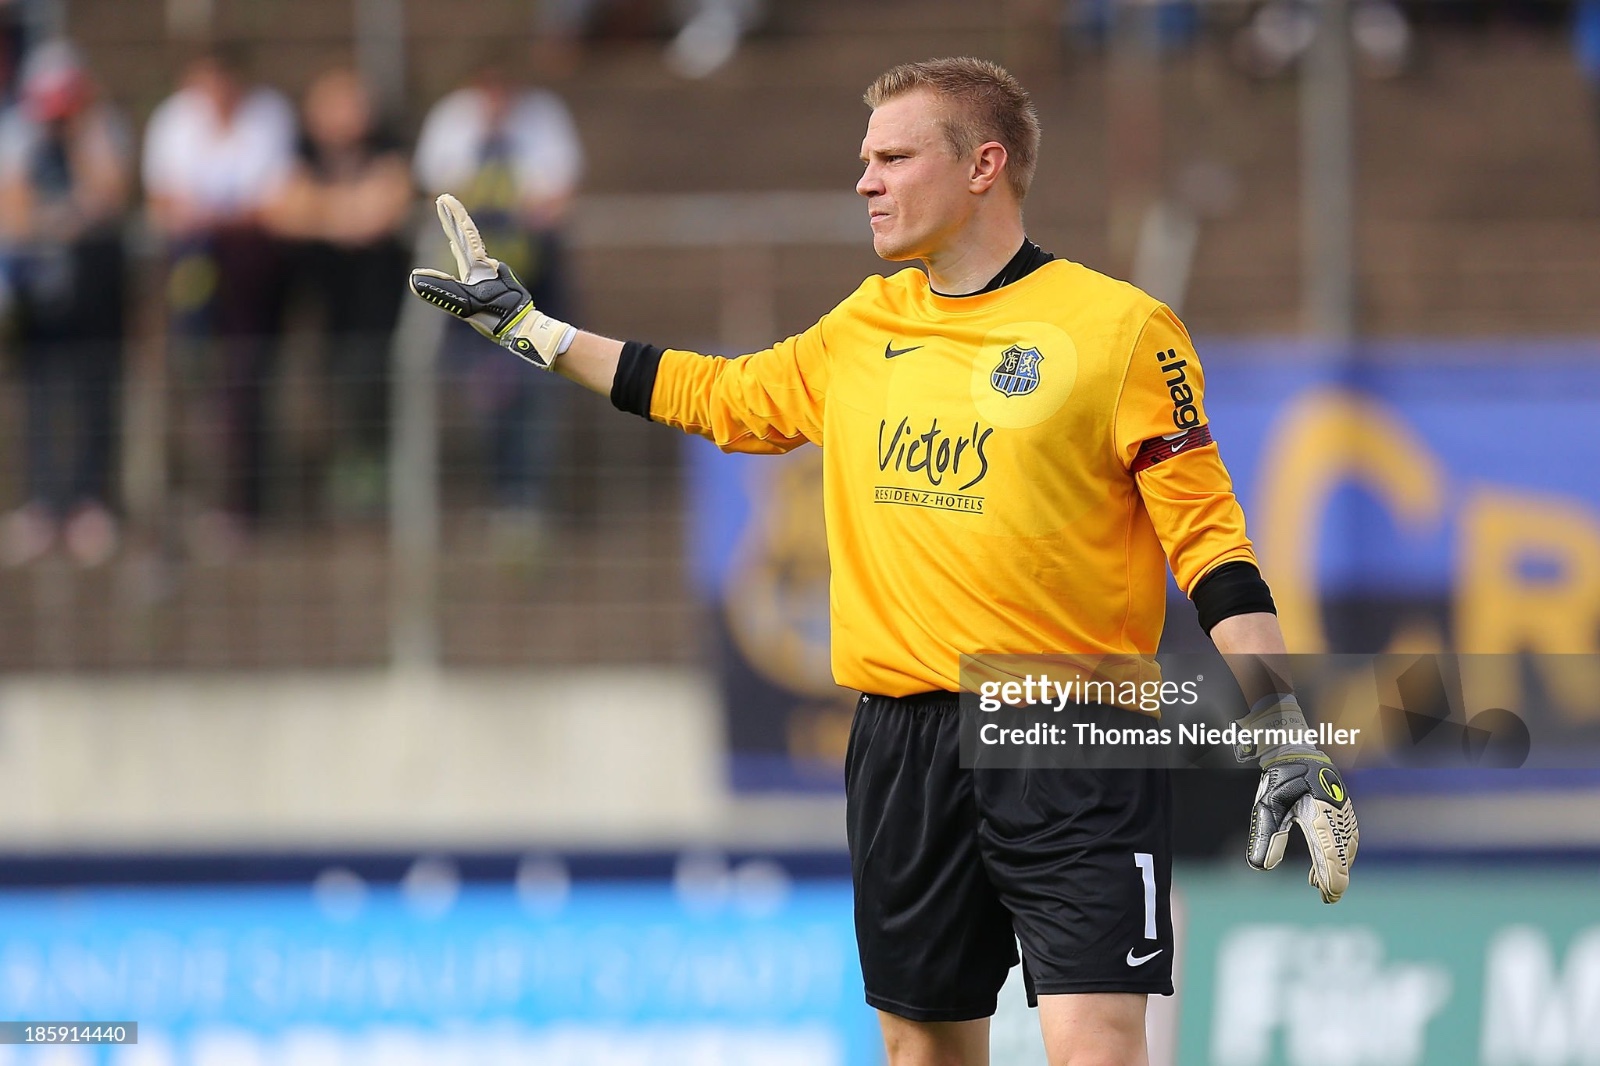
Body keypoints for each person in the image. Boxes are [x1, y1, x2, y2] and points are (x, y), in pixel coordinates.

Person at [407, 57, 1358, 1066]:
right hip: (902, 738)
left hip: (1070, 727)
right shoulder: (864, 325)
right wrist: (534, 331)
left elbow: (1211, 545)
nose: (864, 181)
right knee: (921, 1047)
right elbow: (718, 395)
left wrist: (1282, 730)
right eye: (864, 160)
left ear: (984, 165)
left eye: (893, 157)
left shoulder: (1121, 330)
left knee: (1097, 1046)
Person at [413, 60, 581, 547]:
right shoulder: (451, 122)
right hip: (471, 294)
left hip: (536, 285)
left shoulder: (544, 118)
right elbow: (439, 197)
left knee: (537, 386)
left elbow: (557, 198)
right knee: (488, 395)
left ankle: (526, 498)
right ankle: (501, 493)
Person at [142, 46, 295, 548]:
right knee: (193, 379)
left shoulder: (270, 117)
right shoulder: (173, 120)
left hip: (249, 270)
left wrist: (213, 215)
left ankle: (240, 503)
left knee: (242, 383)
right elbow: (163, 199)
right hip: (190, 266)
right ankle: (187, 491)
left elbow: (270, 202)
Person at [0, 40, 130, 566]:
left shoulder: (103, 128)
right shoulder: (17, 132)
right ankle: (44, 499)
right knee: (40, 392)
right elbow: (14, 210)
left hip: (94, 287)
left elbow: (109, 195)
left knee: (95, 391)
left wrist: (79, 139)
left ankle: (90, 497)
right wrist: (58, 218)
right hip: (37, 287)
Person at [264, 66, 412, 519]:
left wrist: (321, 212)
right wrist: (345, 215)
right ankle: (346, 465)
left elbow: (384, 208)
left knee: (377, 383)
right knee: (331, 382)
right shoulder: (301, 152)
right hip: (323, 299)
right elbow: (281, 208)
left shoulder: (388, 147)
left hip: (379, 297)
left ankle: (378, 469)